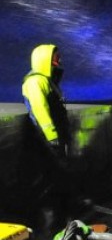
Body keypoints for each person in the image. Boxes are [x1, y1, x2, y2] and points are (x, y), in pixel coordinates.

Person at [22, 44, 74, 224]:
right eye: (56, 57)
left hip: (54, 139)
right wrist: (53, 137)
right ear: (45, 59)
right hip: (47, 140)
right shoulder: (35, 82)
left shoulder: (47, 81)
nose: (59, 60)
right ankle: (54, 221)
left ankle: (62, 215)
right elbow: (40, 111)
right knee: (53, 178)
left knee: (59, 176)